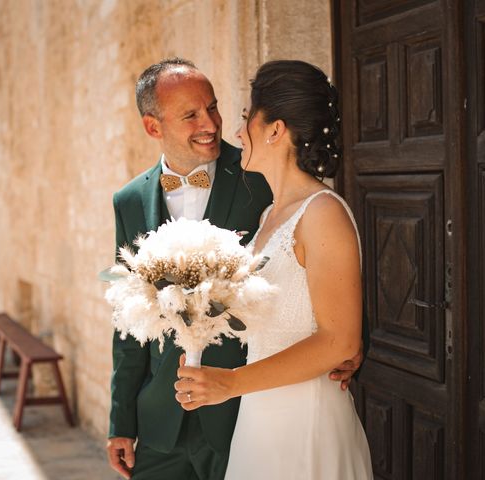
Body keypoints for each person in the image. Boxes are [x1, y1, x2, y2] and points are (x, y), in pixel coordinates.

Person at [107, 58, 367, 480]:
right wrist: (121, 421)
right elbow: (127, 314)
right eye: (191, 114)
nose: (214, 124)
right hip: (165, 419)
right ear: (154, 127)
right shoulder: (131, 201)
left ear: (276, 130)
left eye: (216, 108)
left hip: (241, 409)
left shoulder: (263, 181)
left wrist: (351, 345)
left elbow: (331, 290)